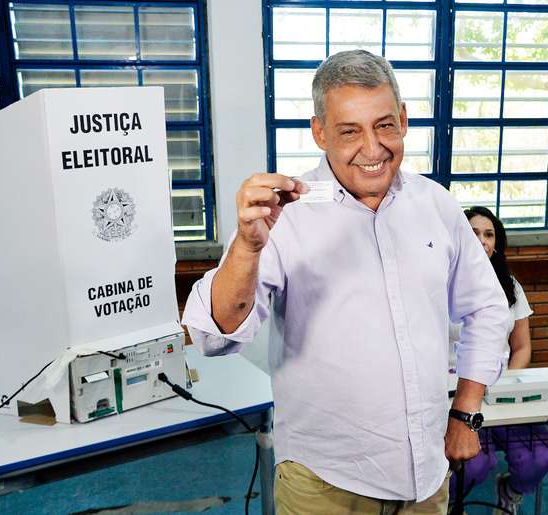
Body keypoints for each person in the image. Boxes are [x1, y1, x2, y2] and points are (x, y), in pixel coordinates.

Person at [181, 50, 511, 514]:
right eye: (349, 131)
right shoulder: (285, 216)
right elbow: (213, 336)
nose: (373, 149)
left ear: (403, 119)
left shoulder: (435, 204)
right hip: (327, 484)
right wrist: (246, 249)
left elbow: (488, 309)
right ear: (319, 132)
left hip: (427, 476)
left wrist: (466, 413)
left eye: (384, 126)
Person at [449, 207, 548, 515]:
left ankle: (510, 489)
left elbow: (522, 347)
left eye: (489, 234)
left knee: (539, 455)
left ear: (496, 244)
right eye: (472, 233)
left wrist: (507, 381)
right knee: (472, 463)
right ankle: (450, 504)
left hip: (500, 390)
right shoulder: (438, 282)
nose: (481, 240)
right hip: (455, 394)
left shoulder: (510, 285)